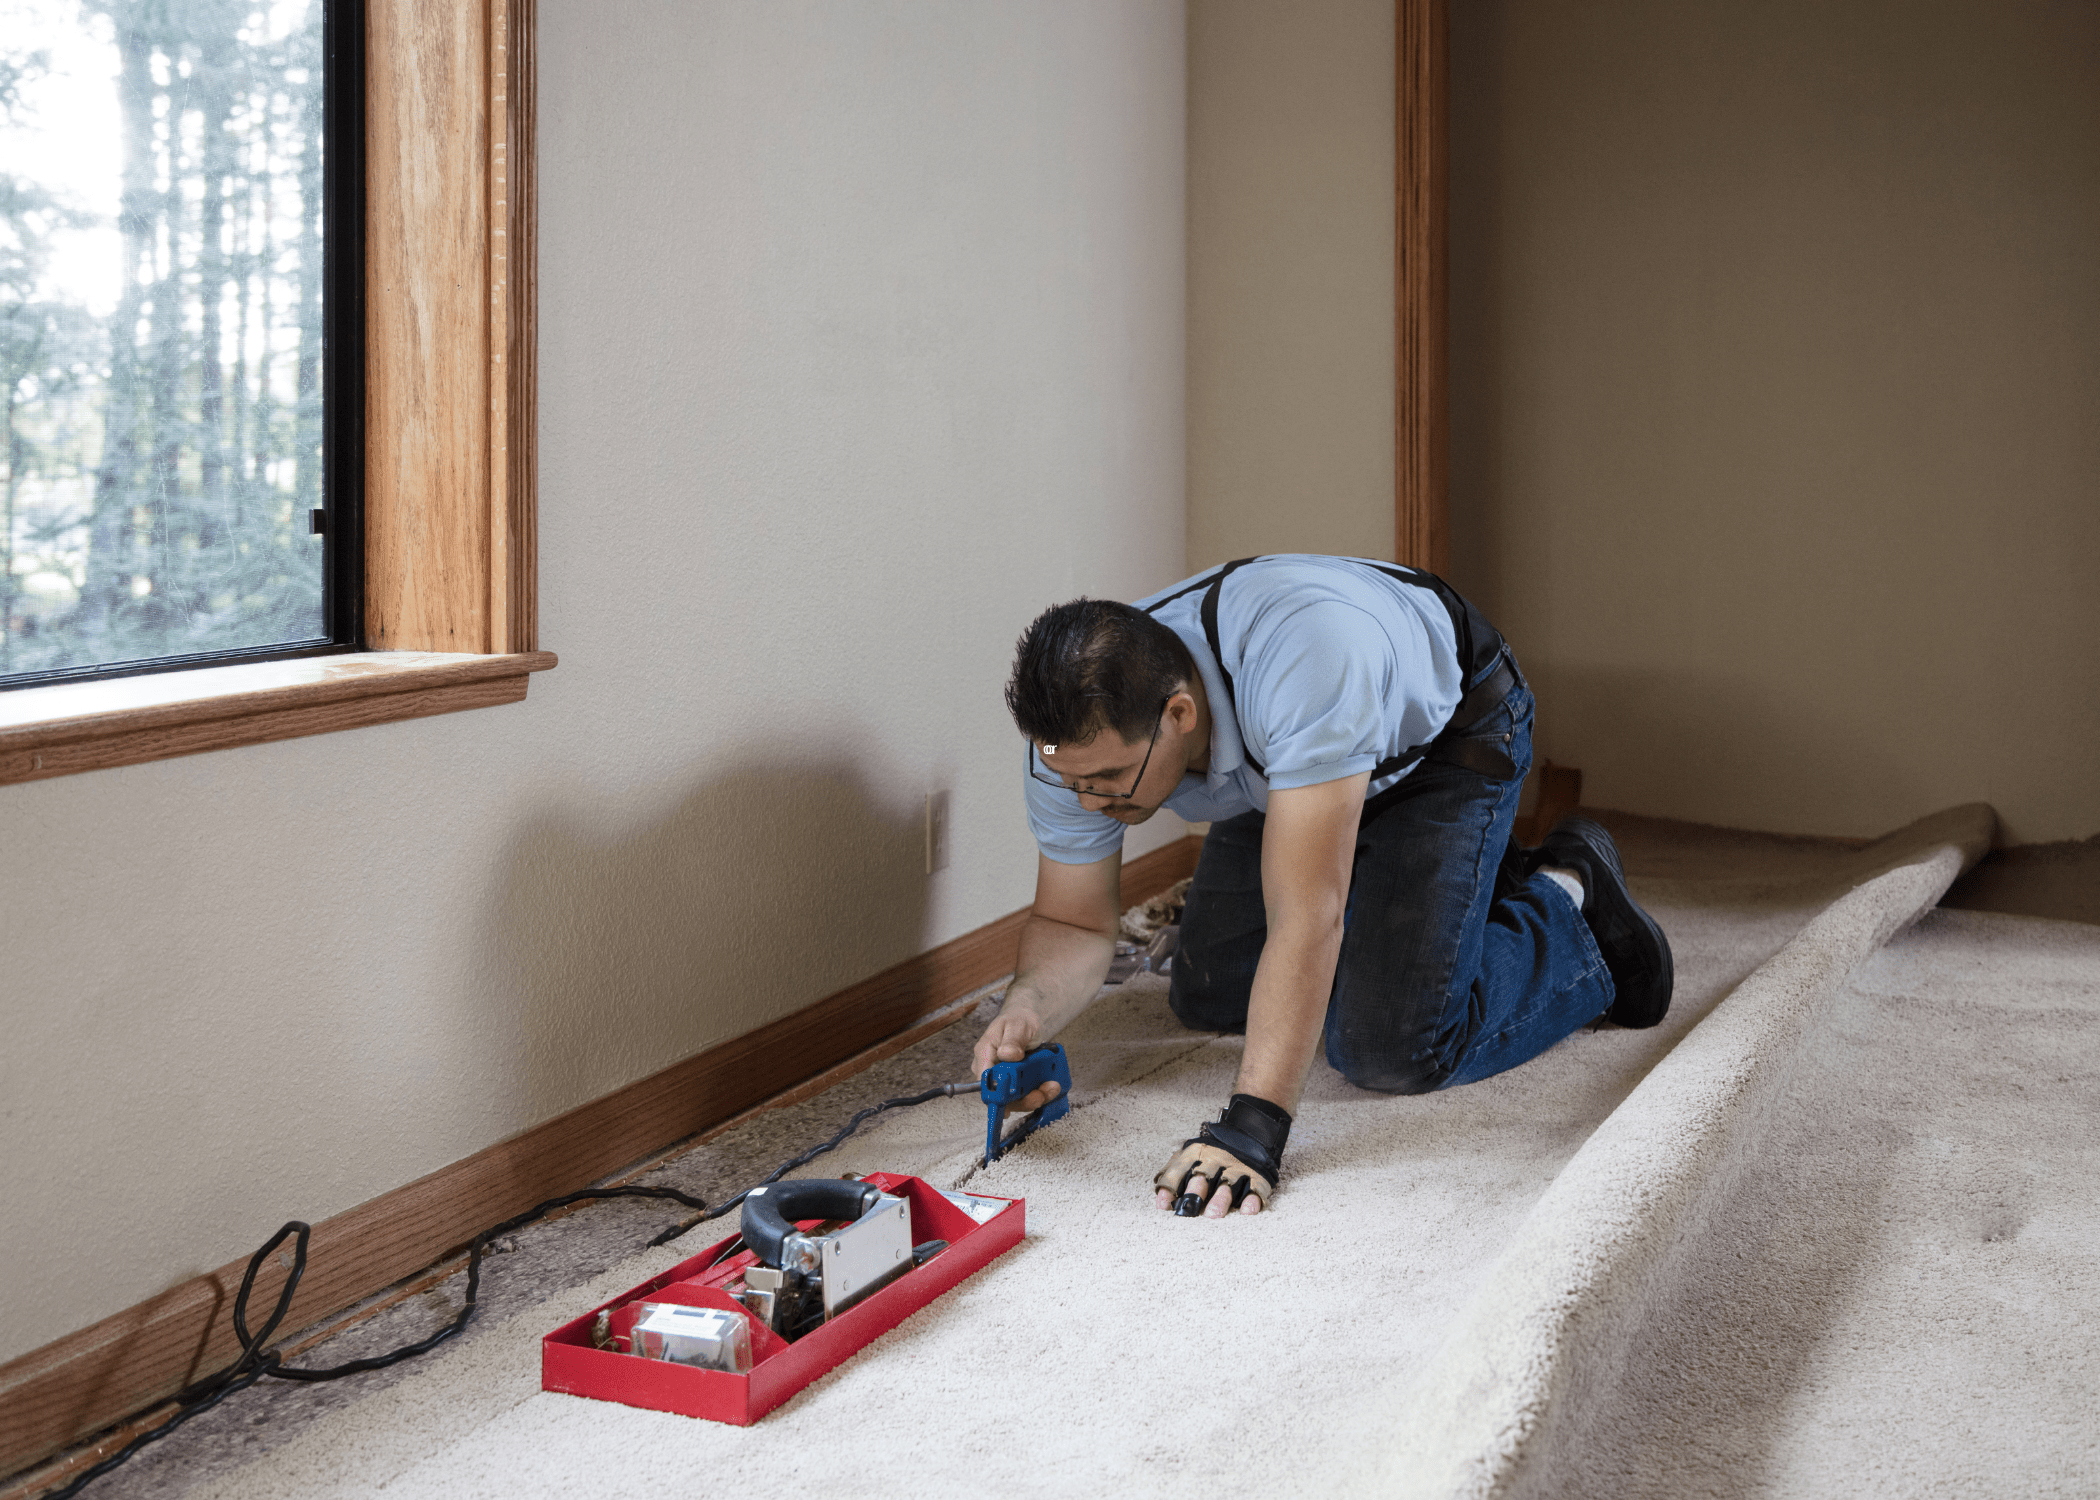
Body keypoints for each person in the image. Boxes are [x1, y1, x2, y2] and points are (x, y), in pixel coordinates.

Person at [971, 554, 1672, 1218]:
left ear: (1179, 715)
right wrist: (1026, 1012)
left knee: (1389, 1046)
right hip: (1289, 769)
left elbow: (1308, 914)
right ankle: (1447, 891)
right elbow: (1075, 924)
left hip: (1448, 739)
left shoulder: (1307, 664)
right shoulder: (1073, 742)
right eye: (1071, 783)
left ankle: (1567, 886)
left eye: (1106, 782)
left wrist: (1252, 1129)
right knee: (1211, 990)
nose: (1088, 803)